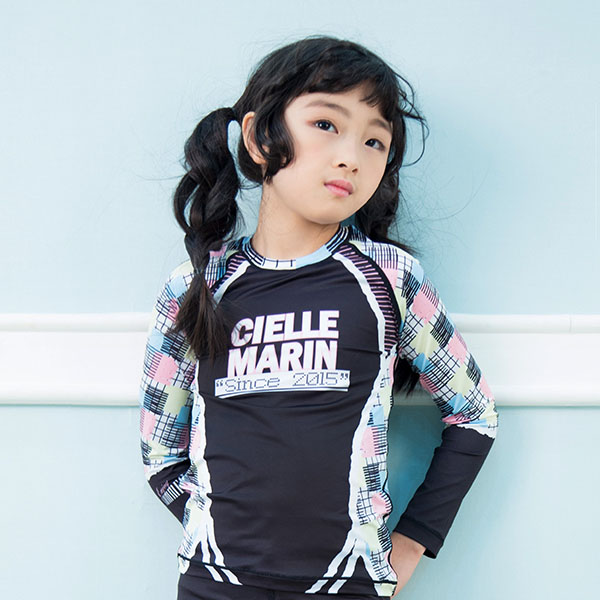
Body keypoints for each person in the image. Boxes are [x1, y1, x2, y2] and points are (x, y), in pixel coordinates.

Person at [139, 35, 499, 600]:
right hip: (214, 585)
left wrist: (411, 543)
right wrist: (212, 531)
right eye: (326, 124)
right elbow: (161, 451)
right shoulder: (196, 287)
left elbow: (474, 414)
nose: (351, 156)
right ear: (260, 138)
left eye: (375, 141)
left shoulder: (390, 278)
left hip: (350, 583)